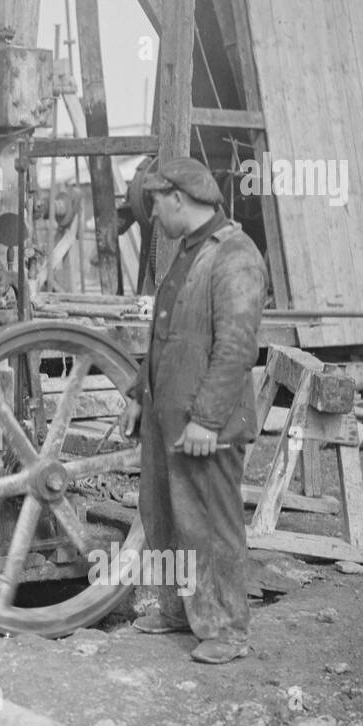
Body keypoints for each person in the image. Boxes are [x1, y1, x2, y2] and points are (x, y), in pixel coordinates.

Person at [121, 157, 266, 664]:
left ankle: (226, 628)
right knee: (163, 514)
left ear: (178, 198)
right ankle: (178, 609)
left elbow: (236, 348)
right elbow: (167, 335)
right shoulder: (186, 252)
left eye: (156, 203)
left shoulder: (236, 257)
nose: (153, 215)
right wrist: (141, 397)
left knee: (211, 523)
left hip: (207, 424)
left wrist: (206, 419)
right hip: (168, 417)